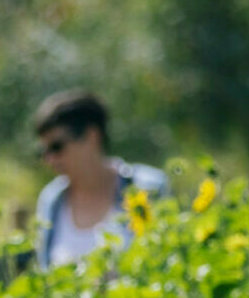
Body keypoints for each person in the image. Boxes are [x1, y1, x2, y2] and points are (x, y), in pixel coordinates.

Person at [30, 89, 166, 268]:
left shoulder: (148, 186)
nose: (49, 159)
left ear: (92, 136)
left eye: (57, 147)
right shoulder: (51, 200)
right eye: (44, 151)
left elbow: (165, 262)